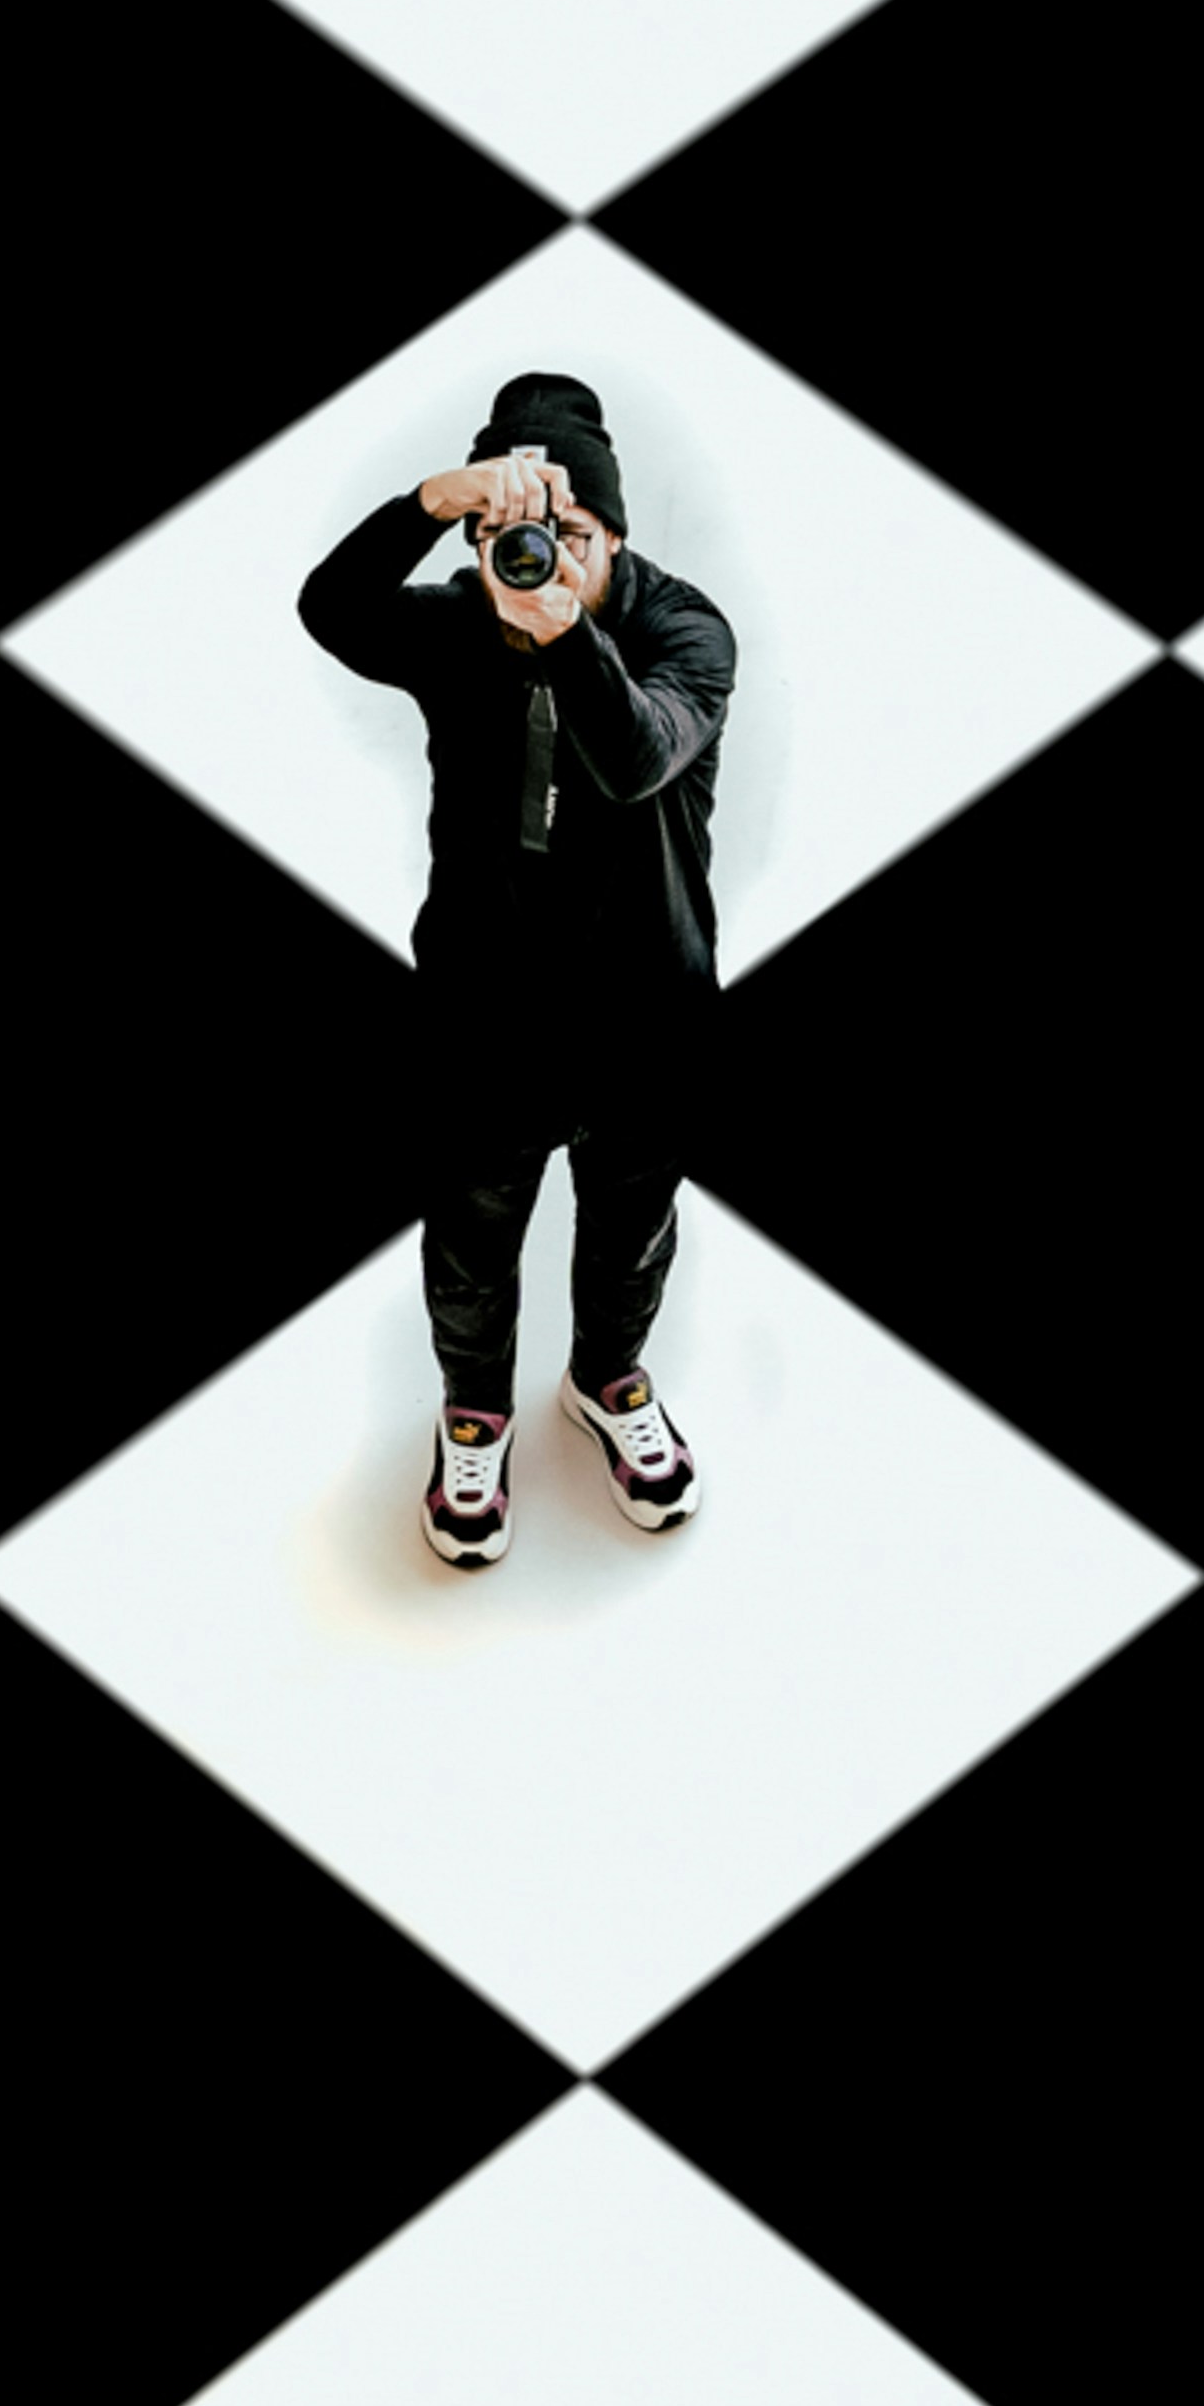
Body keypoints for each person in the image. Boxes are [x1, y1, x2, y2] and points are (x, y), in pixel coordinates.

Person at [291, 369, 739, 1569]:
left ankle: (608, 1378)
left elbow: (636, 757)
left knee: (631, 1230)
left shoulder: (682, 629)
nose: (542, 557)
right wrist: (432, 502)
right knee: (472, 1237)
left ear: (614, 535)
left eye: (570, 533)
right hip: (484, 1010)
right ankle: (474, 1411)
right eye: (515, 535)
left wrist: (564, 637)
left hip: (646, 1010)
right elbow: (329, 607)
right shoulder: (457, 620)